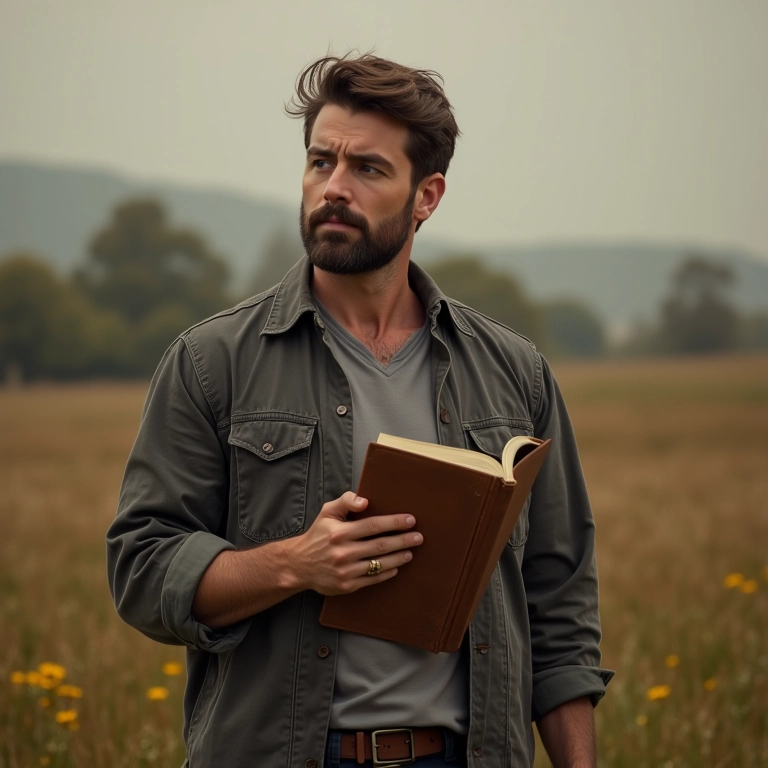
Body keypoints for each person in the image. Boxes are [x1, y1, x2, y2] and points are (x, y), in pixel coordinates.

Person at [107, 53, 612, 768]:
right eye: (320, 162)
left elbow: (559, 604)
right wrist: (297, 564)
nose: (333, 189)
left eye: (367, 170)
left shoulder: (514, 374)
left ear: (427, 195)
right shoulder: (210, 362)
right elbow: (142, 568)